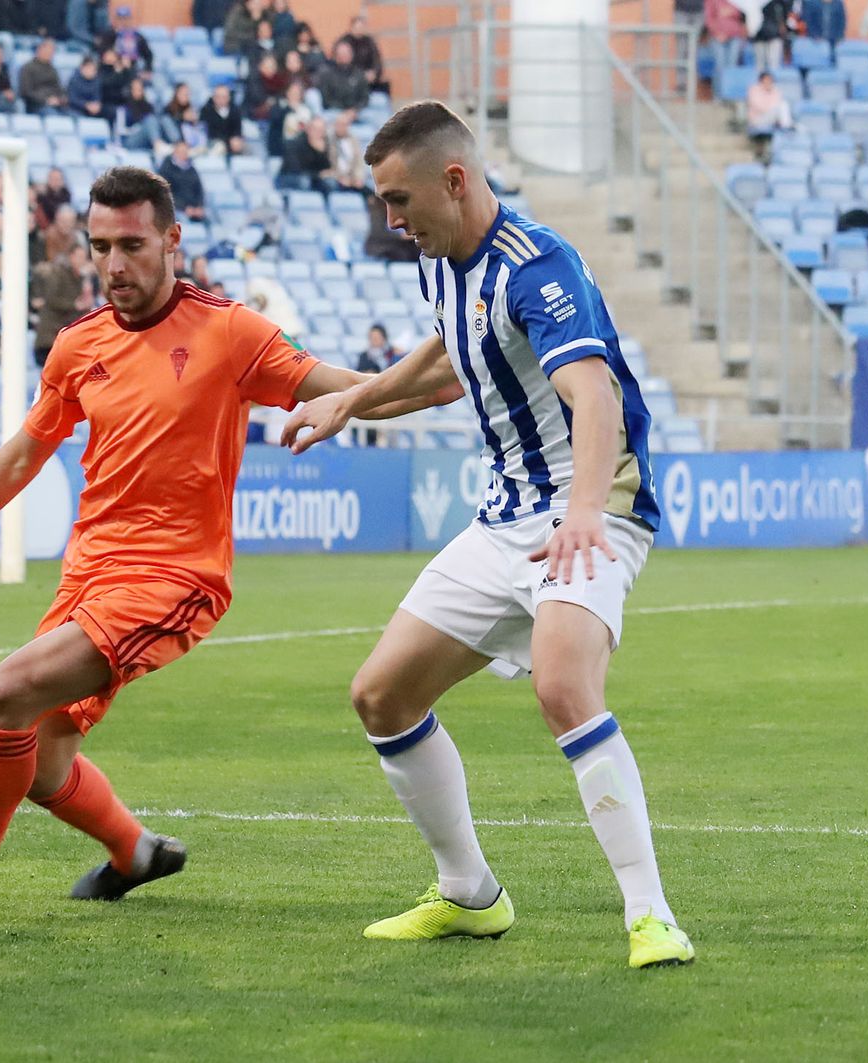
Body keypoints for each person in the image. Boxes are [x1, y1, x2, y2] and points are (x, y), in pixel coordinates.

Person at [0, 166, 457, 926]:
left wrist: (445, 376)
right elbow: (23, 452)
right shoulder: (78, 344)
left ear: (172, 240)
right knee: (41, 760)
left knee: (9, 689)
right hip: (89, 574)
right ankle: (134, 851)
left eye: (132, 245)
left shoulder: (229, 330)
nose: (114, 265)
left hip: (176, 575)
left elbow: (341, 386)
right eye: (100, 246)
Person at [280, 101, 694, 970]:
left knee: (563, 686)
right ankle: (470, 895)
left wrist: (582, 508)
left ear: (455, 180)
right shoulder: (441, 265)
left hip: (595, 507)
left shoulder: (539, 266)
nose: (392, 220)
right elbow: (444, 364)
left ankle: (651, 915)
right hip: (505, 516)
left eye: (400, 199)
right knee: (382, 695)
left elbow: (594, 395)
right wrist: (347, 402)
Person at [745, 70, 793, 156]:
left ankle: (786, 127)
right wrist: (771, 108)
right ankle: (787, 127)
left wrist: (771, 108)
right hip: (758, 120)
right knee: (782, 106)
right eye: (766, 80)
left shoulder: (775, 91)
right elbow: (759, 107)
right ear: (761, 81)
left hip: (771, 118)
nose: (768, 82)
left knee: (783, 105)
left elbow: (776, 104)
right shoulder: (754, 90)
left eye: (770, 80)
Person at [157, 140, 207, 220]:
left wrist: (199, 206)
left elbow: (199, 190)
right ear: (175, 151)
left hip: (193, 208)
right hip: (176, 209)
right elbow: (165, 194)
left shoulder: (192, 170)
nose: (185, 153)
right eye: (182, 151)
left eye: (186, 151)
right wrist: (184, 208)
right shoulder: (166, 170)